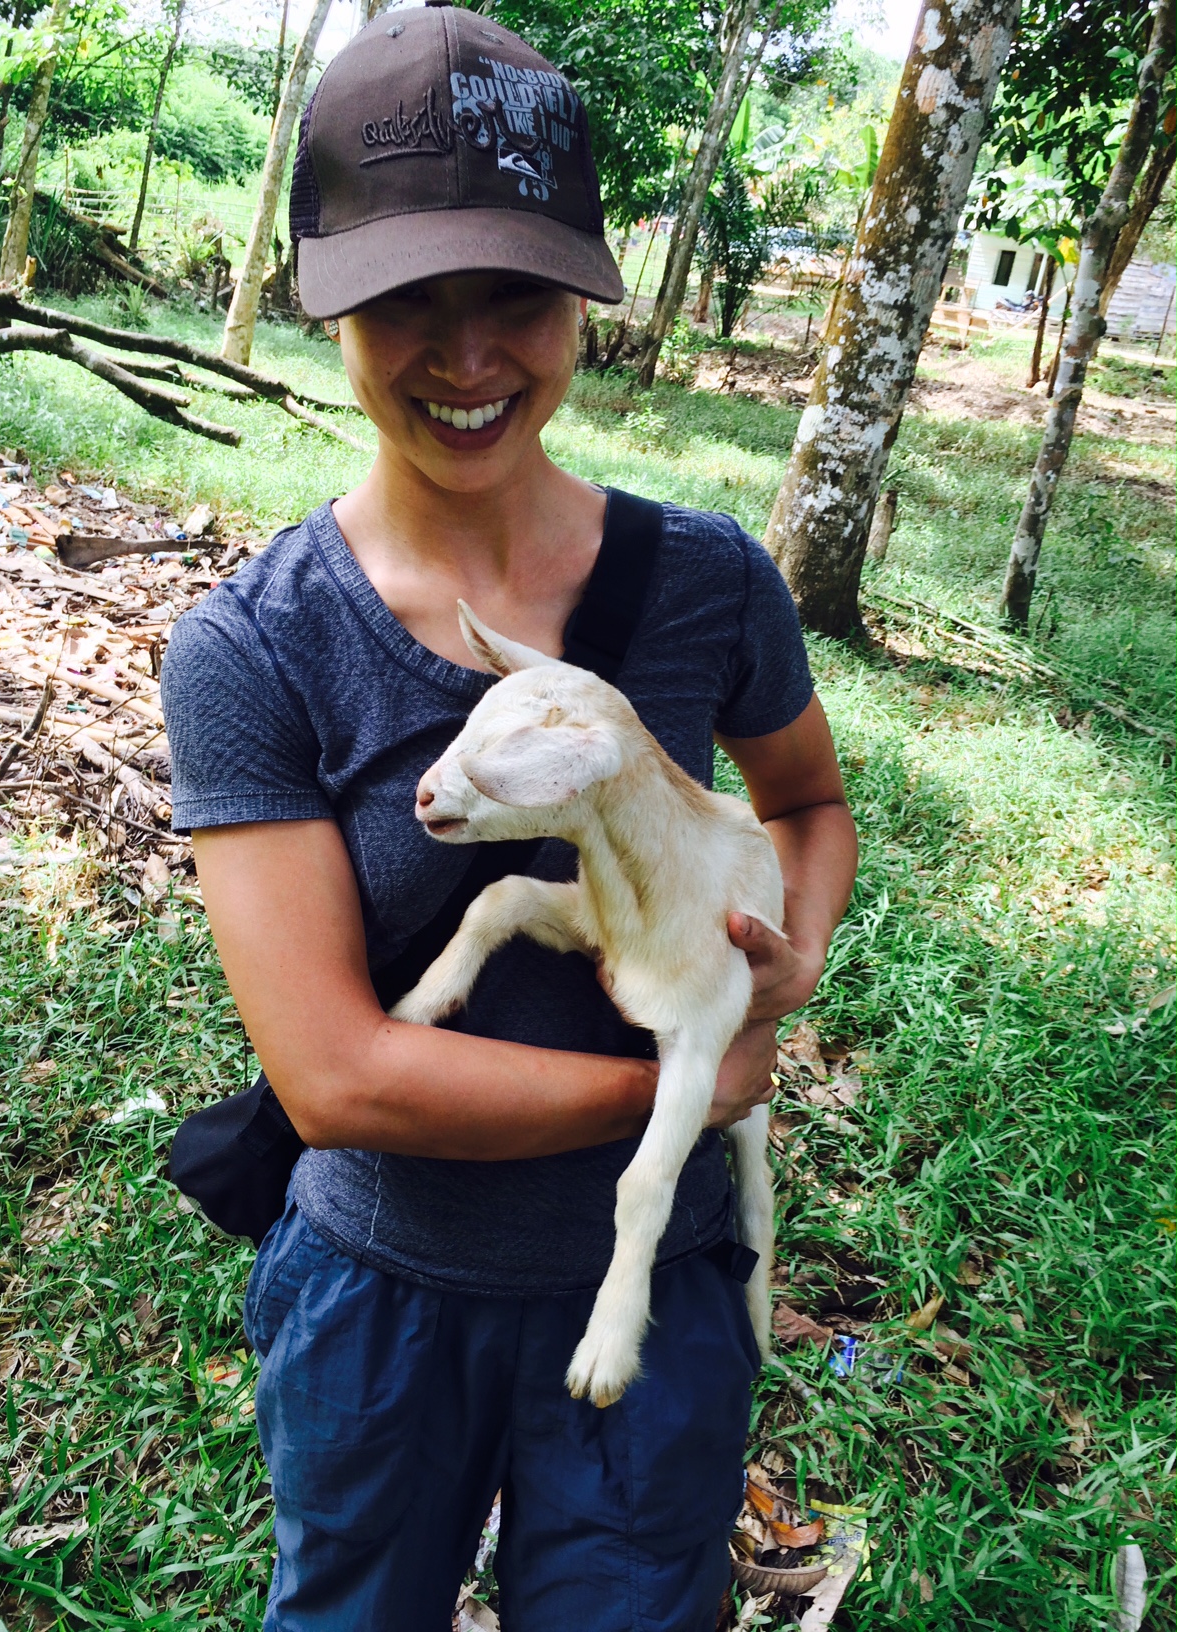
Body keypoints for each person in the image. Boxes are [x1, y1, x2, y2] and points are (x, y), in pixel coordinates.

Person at [161, 6, 857, 1629]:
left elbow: (809, 798)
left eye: (516, 298)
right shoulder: (255, 647)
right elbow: (336, 1074)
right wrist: (684, 1080)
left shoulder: (709, 580)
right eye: (408, 297)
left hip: (658, 1287)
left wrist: (795, 956)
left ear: (582, 300)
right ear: (330, 300)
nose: (467, 358)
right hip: (381, 1300)